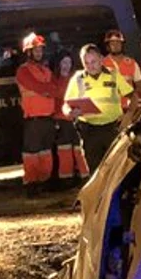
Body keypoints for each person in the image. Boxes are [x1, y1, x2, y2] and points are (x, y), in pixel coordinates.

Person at [65, 44, 134, 171]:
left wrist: (128, 116)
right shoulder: (78, 79)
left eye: (93, 62)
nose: (90, 66)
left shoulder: (113, 75)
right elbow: (66, 105)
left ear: (101, 59)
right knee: (95, 170)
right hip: (89, 131)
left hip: (112, 128)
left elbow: (133, 97)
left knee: (116, 168)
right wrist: (70, 113)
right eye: (86, 63)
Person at [14, 33, 60, 189]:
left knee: (46, 152)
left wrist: (49, 91)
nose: (39, 53)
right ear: (28, 52)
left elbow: (56, 89)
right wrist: (49, 90)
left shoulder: (46, 70)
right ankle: (32, 184)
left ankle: (44, 181)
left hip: (48, 118)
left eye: (40, 50)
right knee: (32, 153)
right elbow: (39, 87)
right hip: (33, 120)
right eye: (36, 50)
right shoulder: (23, 71)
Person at [52, 51, 90, 185]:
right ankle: (66, 179)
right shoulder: (54, 80)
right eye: (63, 62)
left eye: (68, 62)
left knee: (80, 149)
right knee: (64, 150)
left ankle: (85, 177)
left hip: (76, 119)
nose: (66, 66)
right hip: (61, 120)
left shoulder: (76, 79)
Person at [102, 29, 141, 116]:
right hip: (109, 109)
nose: (115, 46)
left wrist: (131, 96)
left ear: (122, 45)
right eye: (112, 43)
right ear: (108, 46)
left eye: (118, 43)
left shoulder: (131, 63)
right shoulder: (102, 64)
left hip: (128, 108)